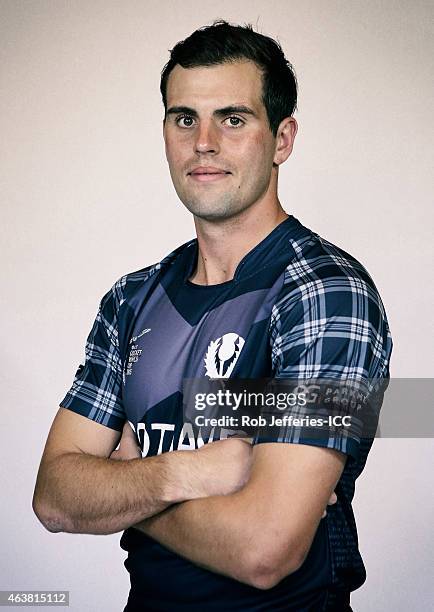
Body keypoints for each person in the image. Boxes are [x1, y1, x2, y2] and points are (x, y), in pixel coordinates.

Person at [33, 20, 392, 611]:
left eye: (233, 118)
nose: (203, 142)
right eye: (183, 118)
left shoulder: (329, 295)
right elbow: (54, 497)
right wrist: (189, 473)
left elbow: (264, 551)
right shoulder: (131, 299)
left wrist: (127, 483)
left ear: (282, 139)